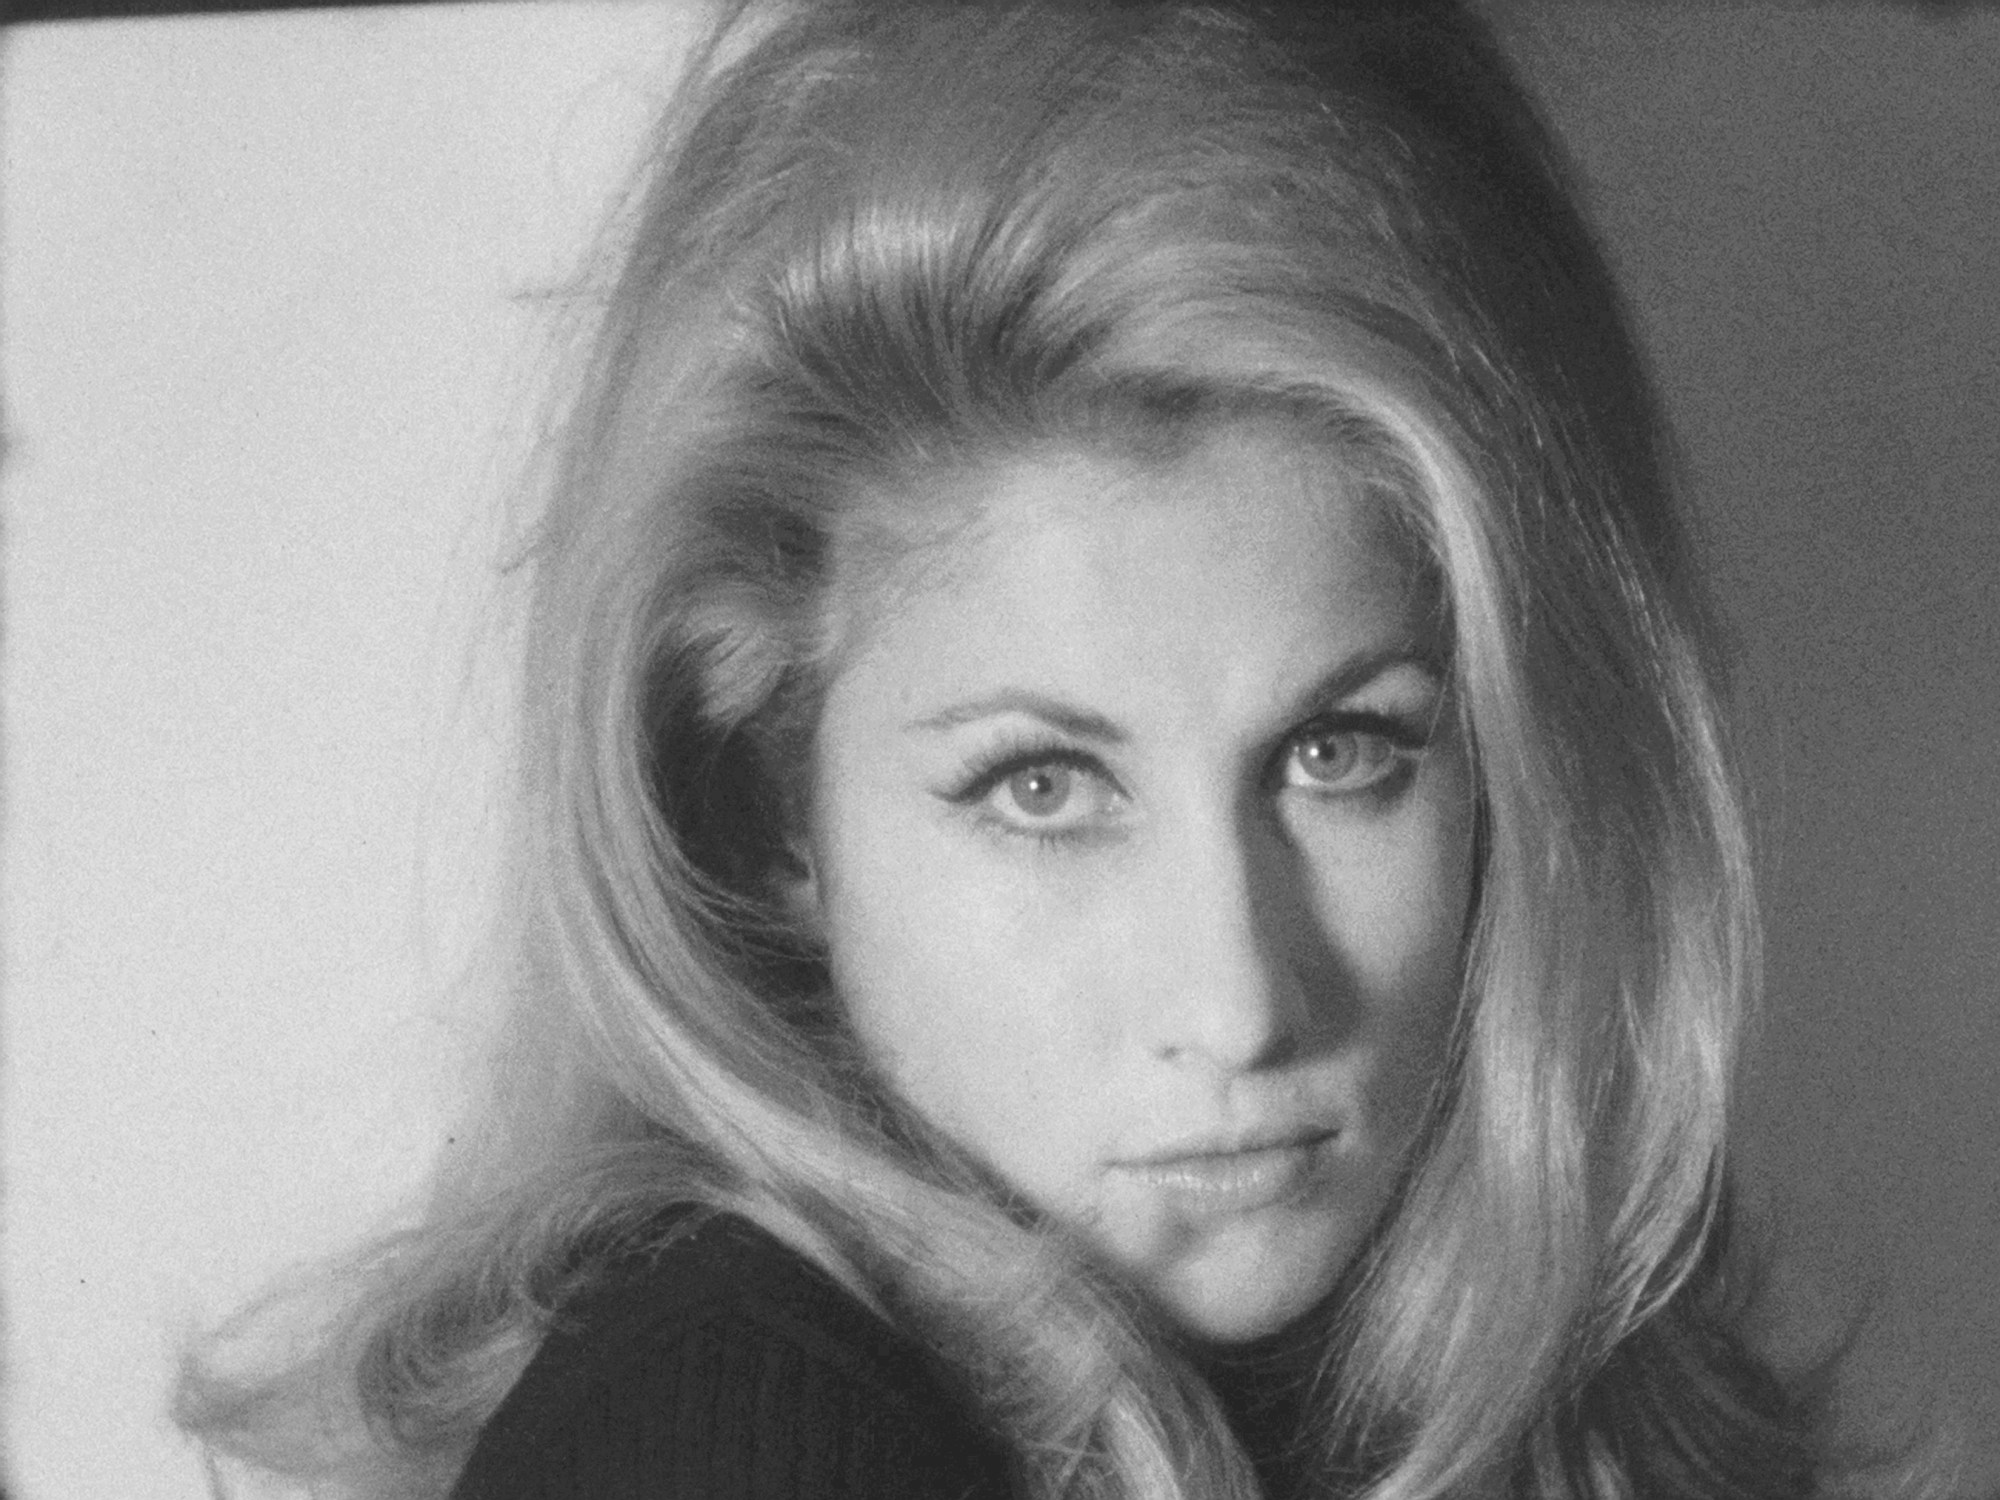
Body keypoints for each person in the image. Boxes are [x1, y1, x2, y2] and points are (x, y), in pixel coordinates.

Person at [177, 0, 1851, 1495]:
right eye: (1043, 790)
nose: (1241, 1003)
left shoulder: (1508, 1381)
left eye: (1341, 753)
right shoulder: (723, 1439)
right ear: (770, 805)